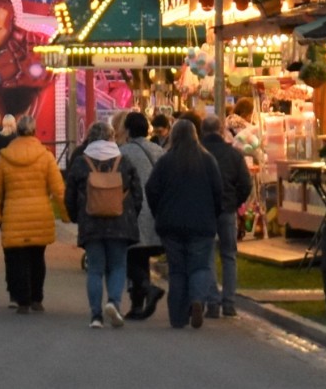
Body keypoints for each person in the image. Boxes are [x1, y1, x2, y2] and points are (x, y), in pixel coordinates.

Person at [144, 117, 227, 329]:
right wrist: (213, 215)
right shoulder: (207, 160)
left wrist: (159, 212)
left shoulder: (166, 160)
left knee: (177, 270)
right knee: (199, 267)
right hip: (202, 224)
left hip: (171, 225)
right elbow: (219, 192)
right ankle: (197, 299)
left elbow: (152, 189)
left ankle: (178, 317)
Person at [0, 111, 65, 316]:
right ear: (35, 131)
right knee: (37, 257)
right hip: (40, 214)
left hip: (13, 215)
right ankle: (37, 298)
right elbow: (58, 189)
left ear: (17, 132)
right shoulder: (46, 156)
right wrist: (66, 214)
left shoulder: (4, 158)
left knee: (16, 258)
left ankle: (22, 300)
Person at [67, 122, 143, 329]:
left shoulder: (81, 163)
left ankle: (96, 316)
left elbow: (70, 195)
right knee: (118, 266)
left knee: (95, 270)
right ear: (112, 138)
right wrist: (130, 215)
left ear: (90, 138)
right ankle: (114, 303)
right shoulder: (124, 161)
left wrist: (76, 217)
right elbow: (137, 194)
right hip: (120, 223)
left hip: (91, 223)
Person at [200, 113, 254, 317]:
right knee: (229, 255)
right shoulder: (234, 154)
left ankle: (212, 301)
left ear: (203, 131)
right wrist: (235, 201)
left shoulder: (199, 152)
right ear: (221, 130)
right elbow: (245, 184)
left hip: (204, 210)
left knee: (207, 255)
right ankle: (229, 302)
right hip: (227, 209)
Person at [117, 109, 165, 322]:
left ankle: (146, 289)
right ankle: (138, 305)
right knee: (141, 257)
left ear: (127, 130)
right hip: (156, 213)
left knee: (127, 255)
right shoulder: (158, 151)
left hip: (132, 212)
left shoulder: (123, 152)